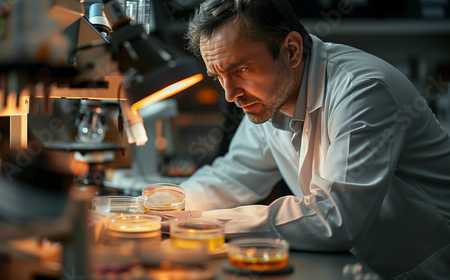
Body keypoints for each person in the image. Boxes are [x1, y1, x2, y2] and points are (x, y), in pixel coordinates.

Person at [151, 0, 450, 279]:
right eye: (218, 77)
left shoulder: (362, 91)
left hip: (426, 265)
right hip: (360, 263)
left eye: (241, 70)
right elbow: (236, 173)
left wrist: (199, 222)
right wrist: (159, 205)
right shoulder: (270, 95)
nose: (230, 94)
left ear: (291, 50)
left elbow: (335, 218)